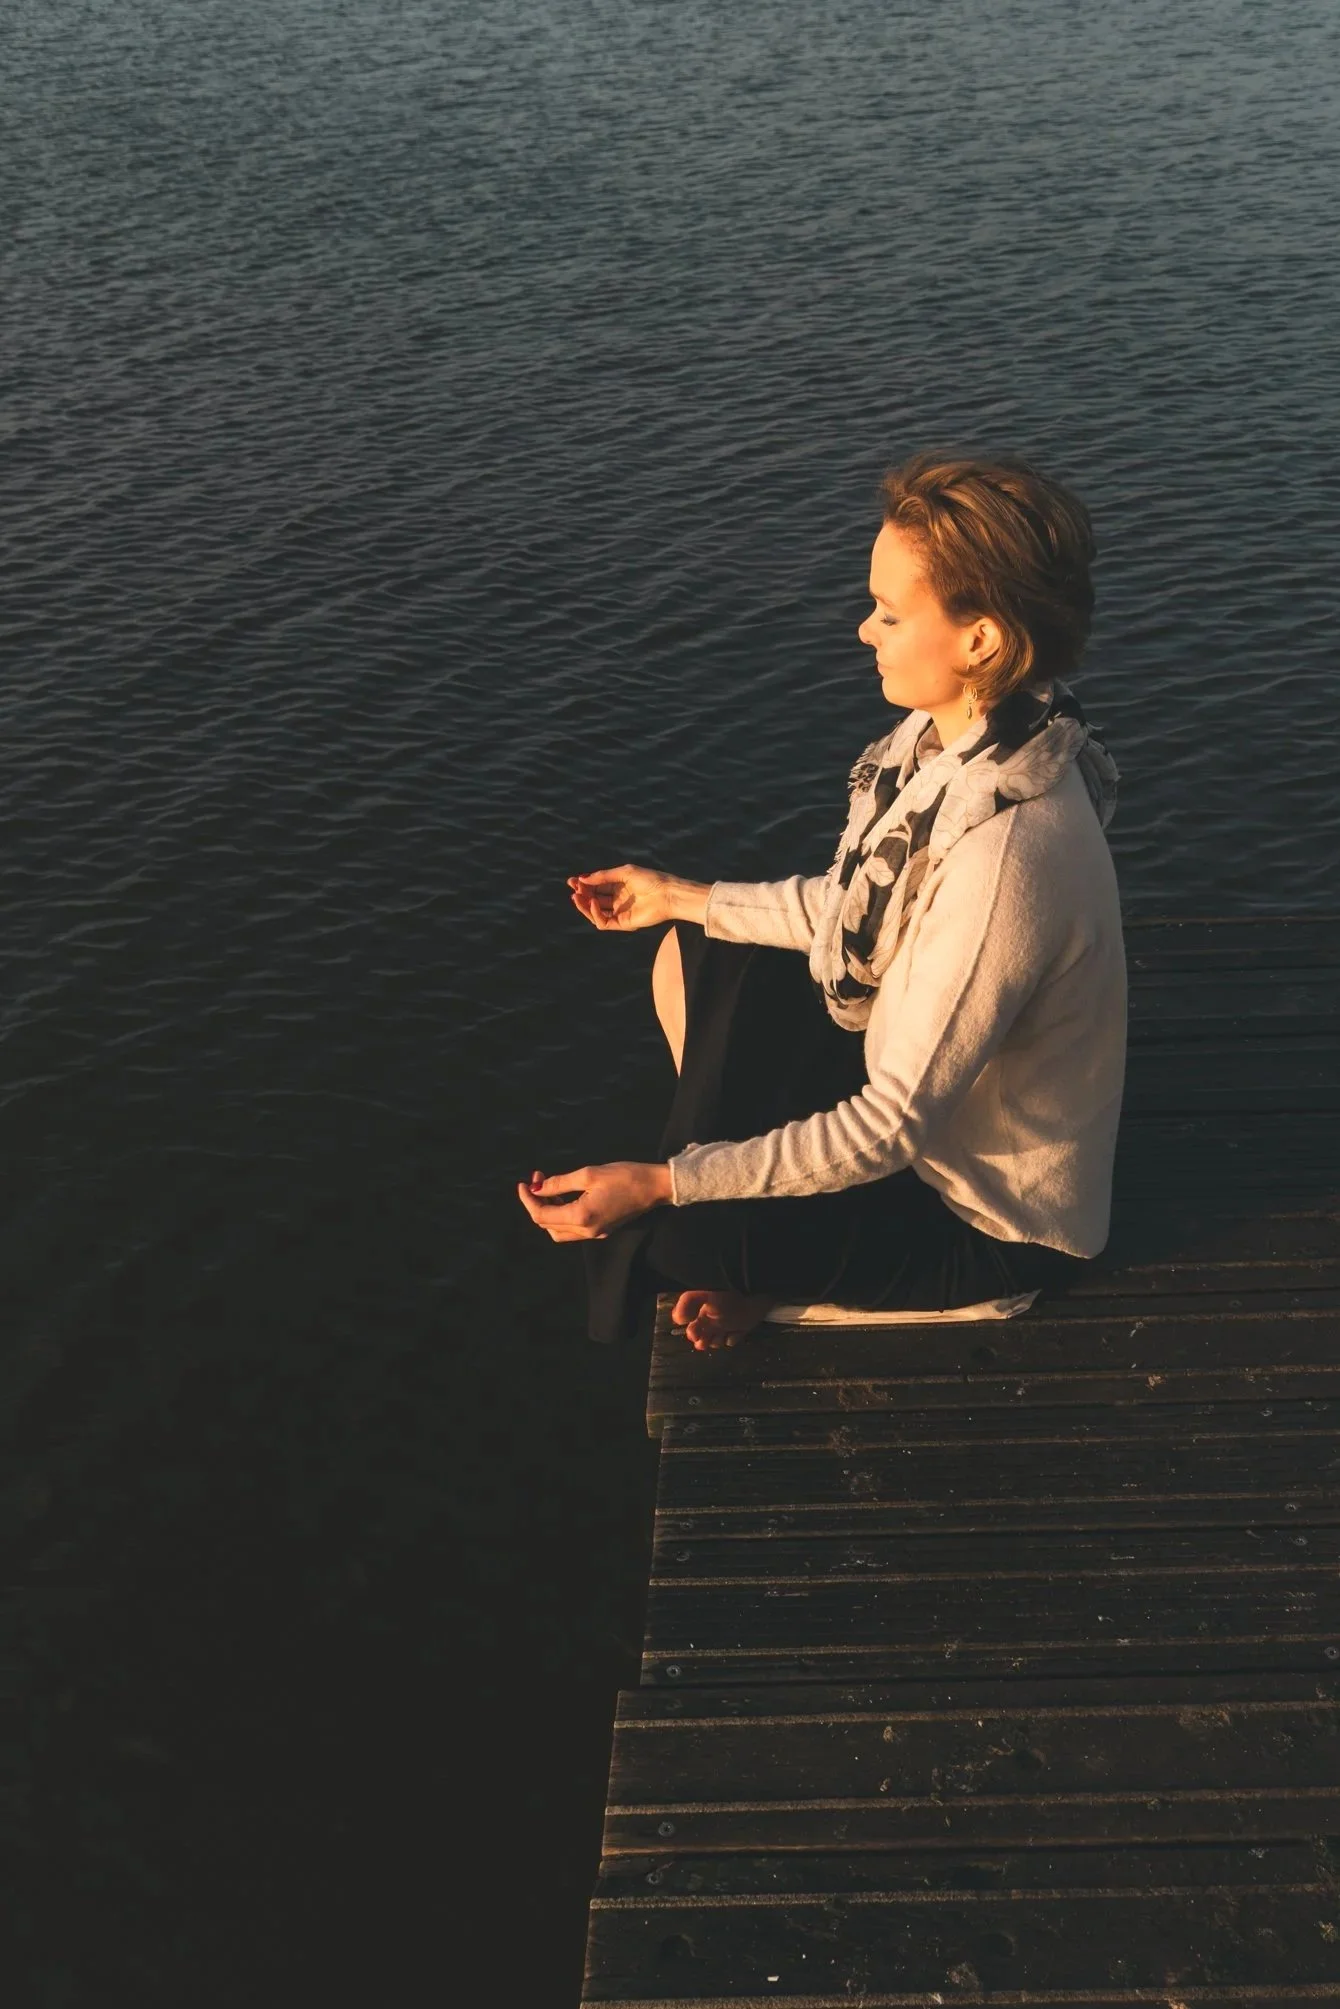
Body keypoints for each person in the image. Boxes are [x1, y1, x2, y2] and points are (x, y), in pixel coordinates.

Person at [517, 452, 1126, 1354]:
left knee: (669, 1239)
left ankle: (777, 1277)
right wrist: (674, 897)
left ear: (981, 641)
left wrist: (664, 1183)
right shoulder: (962, 749)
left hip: (988, 1222)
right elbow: (849, 909)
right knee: (695, 951)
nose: (862, 630)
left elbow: (887, 1128)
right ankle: (758, 1229)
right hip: (932, 1116)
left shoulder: (1008, 856)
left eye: (889, 612)